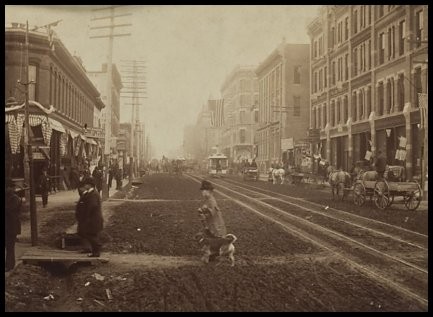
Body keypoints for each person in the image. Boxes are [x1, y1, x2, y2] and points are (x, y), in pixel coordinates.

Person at [198, 180, 227, 261]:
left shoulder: (211, 201)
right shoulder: (209, 200)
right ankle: (213, 255)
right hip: (213, 225)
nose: (202, 193)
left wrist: (203, 214)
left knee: (213, 240)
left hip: (216, 227)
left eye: (203, 191)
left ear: (209, 191)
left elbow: (211, 213)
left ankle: (213, 255)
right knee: (211, 239)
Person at [75, 177, 104, 257]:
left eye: (86, 184)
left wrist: (86, 215)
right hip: (91, 219)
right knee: (89, 234)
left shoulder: (93, 194)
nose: (84, 186)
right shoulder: (90, 193)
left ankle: (97, 248)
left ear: (89, 185)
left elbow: (92, 206)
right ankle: (95, 252)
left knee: (90, 234)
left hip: (93, 219)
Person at [5, 179, 22, 272]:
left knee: (10, 246)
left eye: (8, 188)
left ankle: (10, 265)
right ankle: (8, 264)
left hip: (12, 226)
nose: (7, 189)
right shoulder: (9, 197)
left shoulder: (14, 198)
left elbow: (10, 210)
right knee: (8, 246)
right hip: (8, 225)